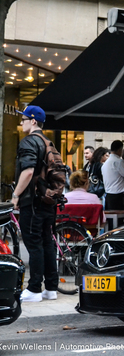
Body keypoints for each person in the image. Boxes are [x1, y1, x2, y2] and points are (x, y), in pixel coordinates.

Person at [11, 105, 58, 302]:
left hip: (32, 201)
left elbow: (28, 171)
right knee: (47, 242)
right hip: (49, 200)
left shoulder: (29, 142)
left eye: (23, 119)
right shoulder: (49, 143)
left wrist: (15, 195)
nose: (20, 122)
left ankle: (34, 289)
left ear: (33, 121)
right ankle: (51, 288)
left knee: (34, 243)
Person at [102, 140, 124, 210]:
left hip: (108, 196)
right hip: (118, 197)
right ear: (120, 150)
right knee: (119, 219)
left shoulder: (105, 163)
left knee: (110, 219)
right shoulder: (119, 162)